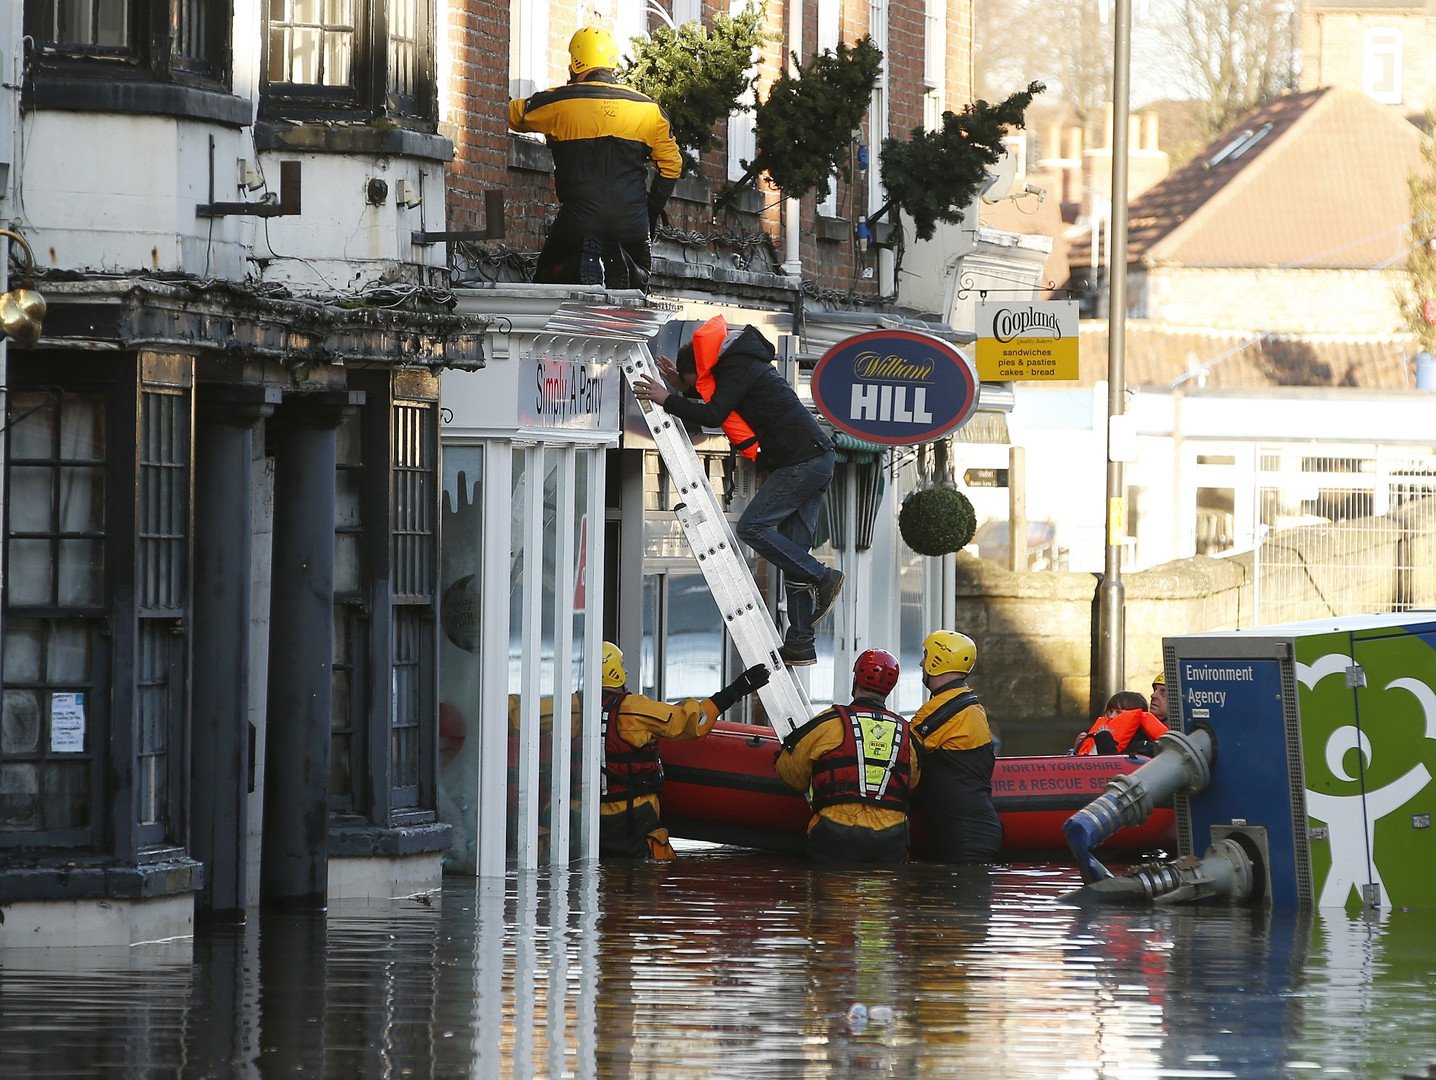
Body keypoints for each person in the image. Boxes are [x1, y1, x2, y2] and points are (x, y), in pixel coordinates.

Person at [632, 315, 843, 667]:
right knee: (793, 555)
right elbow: (721, 396)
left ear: (698, 371)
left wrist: (667, 398)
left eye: (691, 381)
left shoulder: (737, 366)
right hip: (815, 459)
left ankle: (823, 577)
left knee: (752, 528)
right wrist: (681, 388)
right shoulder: (741, 363)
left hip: (802, 462)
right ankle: (801, 642)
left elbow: (715, 412)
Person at [506, 26, 683, 288]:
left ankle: (578, 263)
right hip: (631, 220)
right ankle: (626, 271)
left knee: (547, 275)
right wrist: (650, 212)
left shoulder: (560, 102)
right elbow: (672, 166)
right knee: (639, 284)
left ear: (576, 63)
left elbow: (509, 114)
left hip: (580, 219)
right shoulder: (648, 109)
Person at [600, 641, 769, 860]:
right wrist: (736, 690)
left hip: (585, 820)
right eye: (621, 665)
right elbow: (693, 721)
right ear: (612, 672)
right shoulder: (632, 710)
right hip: (632, 817)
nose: (626, 670)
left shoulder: (568, 710)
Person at [774, 649, 919, 865]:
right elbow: (912, 781)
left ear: (855, 679)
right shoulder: (907, 735)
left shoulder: (829, 723)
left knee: (831, 896)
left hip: (837, 832)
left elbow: (790, 773)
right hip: (891, 838)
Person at [908, 630, 1003, 863]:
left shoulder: (938, 711)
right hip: (976, 830)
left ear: (937, 661)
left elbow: (903, 758)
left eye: (926, 655)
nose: (921, 662)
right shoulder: (970, 704)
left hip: (962, 836)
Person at [1073, 690, 1169, 757]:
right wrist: (1076, 749)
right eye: (1110, 711)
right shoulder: (1098, 736)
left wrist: (1104, 740)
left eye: (1118, 712)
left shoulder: (1143, 747)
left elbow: (1111, 768)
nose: (1111, 716)